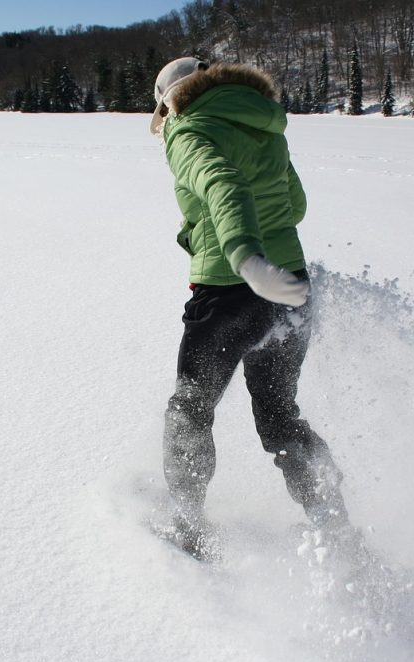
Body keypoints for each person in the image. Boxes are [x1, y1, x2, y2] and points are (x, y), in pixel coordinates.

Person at [151, 57, 351, 559]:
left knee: (189, 412)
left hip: (234, 290)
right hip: (291, 289)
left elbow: (222, 183)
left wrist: (243, 255)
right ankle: (336, 528)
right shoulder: (263, 122)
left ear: (173, 99)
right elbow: (295, 204)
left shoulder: (188, 128)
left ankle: (189, 529)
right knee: (281, 416)